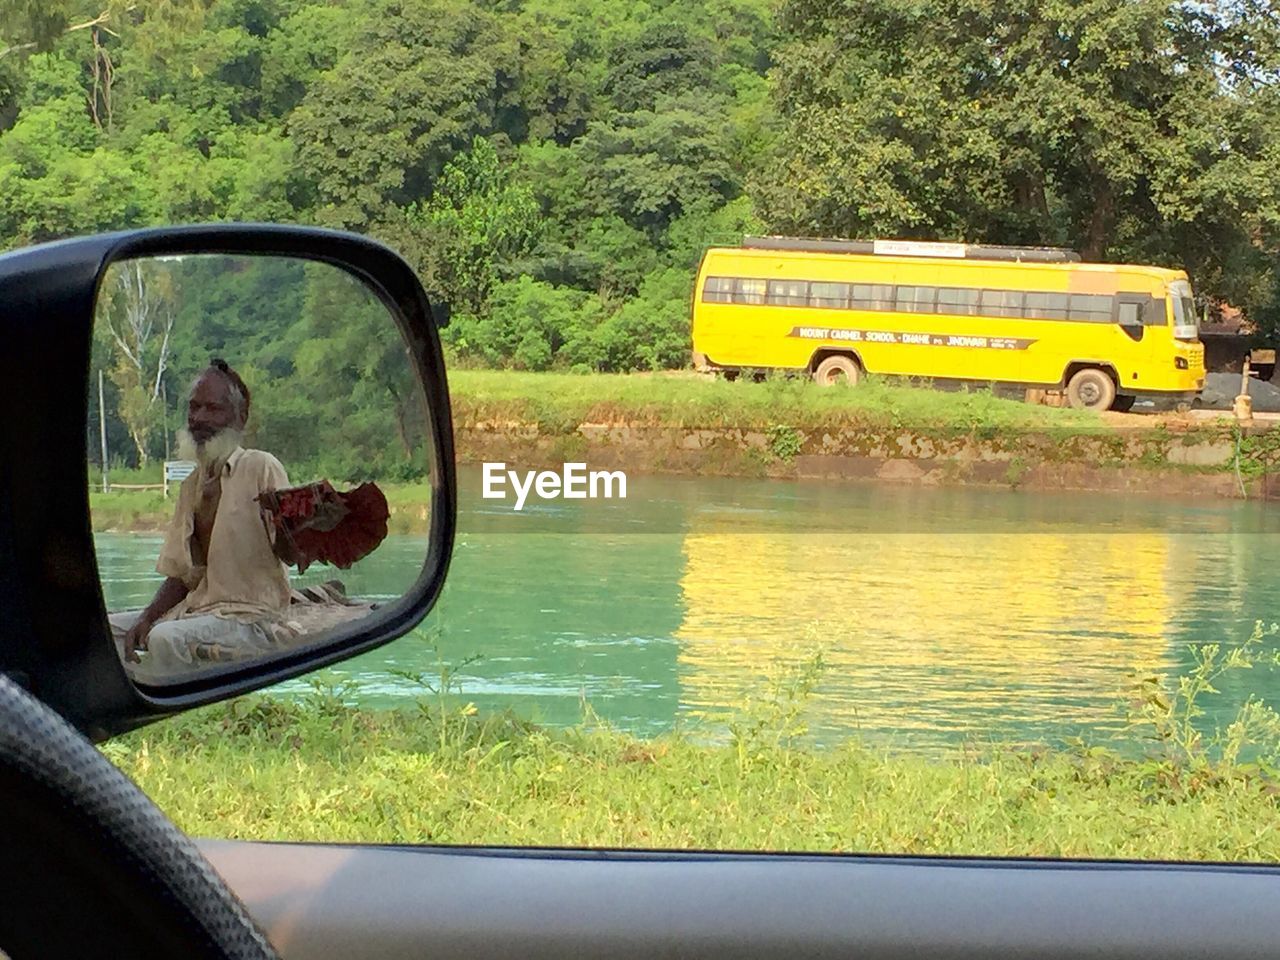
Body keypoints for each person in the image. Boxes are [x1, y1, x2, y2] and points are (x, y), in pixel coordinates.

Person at [111, 359, 304, 676]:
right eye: (194, 407)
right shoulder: (192, 484)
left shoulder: (261, 467)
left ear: (239, 418)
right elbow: (182, 576)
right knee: (106, 632)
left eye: (213, 409)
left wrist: (300, 530)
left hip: (252, 617)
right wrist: (146, 616)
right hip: (199, 609)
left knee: (162, 639)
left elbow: (293, 552)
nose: (199, 418)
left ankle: (172, 703)